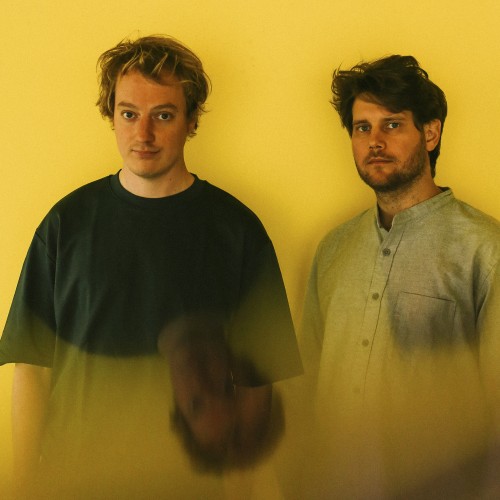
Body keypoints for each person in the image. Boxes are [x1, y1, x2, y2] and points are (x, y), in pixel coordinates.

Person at [0, 35, 302, 498]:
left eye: (162, 115)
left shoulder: (237, 231)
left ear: (191, 119)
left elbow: (255, 389)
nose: (142, 134)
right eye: (128, 114)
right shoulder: (65, 224)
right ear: (111, 115)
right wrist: (21, 486)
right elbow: (31, 369)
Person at [300, 55, 500, 498]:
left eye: (392, 125)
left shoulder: (485, 250)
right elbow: (307, 388)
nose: (374, 141)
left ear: (430, 133)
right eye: (362, 127)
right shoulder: (333, 249)